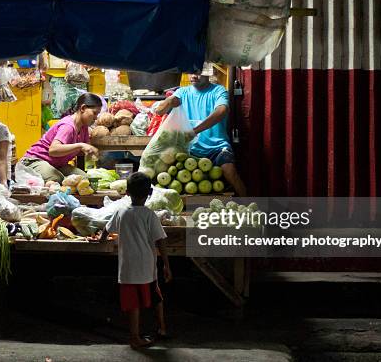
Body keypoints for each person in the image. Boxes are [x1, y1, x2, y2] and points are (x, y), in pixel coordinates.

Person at [100, 172, 172, 349]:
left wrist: (100, 239)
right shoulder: (149, 215)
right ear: (149, 194)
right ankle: (162, 328)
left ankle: (134, 336)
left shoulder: (121, 212)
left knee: (133, 303)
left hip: (128, 269)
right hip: (147, 268)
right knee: (156, 298)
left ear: (127, 193)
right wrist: (167, 265)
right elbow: (160, 240)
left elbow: (107, 229)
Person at [154, 63, 247, 196]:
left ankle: (250, 206)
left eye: (198, 72)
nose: (194, 75)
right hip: (188, 149)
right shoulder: (182, 92)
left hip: (216, 147)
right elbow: (162, 109)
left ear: (209, 72)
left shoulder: (218, 91)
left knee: (230, 171)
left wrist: (195, 130)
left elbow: (222, 110)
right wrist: (168, 102)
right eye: (191, 71)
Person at [22, 93, 101, 183]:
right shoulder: (68, 126)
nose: (95, 118)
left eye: (97, 114)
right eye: (94, 113)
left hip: (57, 165)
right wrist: (80, 145)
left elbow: (82, 153)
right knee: (55, 179)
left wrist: (91, 152)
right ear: (82, 108)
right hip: (35, 160)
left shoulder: (84, 127)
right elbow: (53, 150)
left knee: (84, 180)